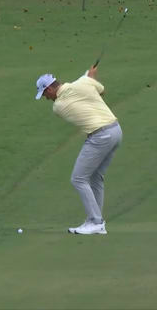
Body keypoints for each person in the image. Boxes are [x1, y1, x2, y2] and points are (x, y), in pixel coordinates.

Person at [35, 65, 122, 235]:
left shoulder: (58, 107)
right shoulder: (84, 83)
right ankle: (96, 221)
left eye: (45, 94)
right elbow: (100, 91)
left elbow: (73, 95)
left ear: (51, 88)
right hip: (116, 131)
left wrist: (86, 79)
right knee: (96, 177)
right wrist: (89, 79)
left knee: (78, 179)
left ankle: (96, 222)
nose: (46, 98)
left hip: (100, 136)